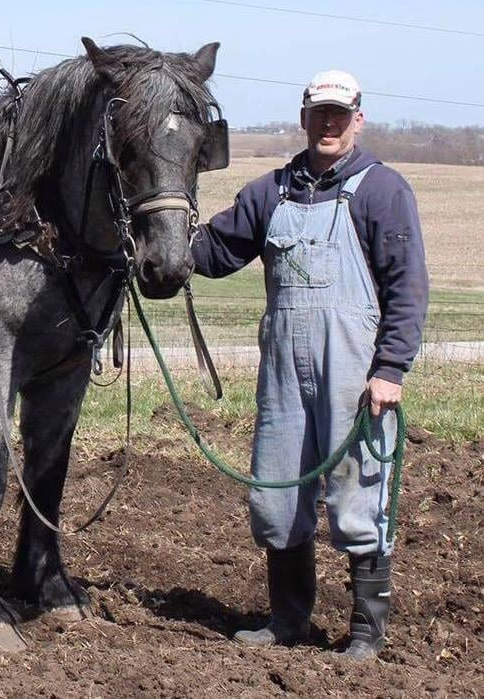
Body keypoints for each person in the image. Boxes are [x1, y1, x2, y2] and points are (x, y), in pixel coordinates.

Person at [190, 70, 429, 660]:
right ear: (304, 117)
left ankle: (366, 632)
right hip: (282, 376)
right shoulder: (270, 192)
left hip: (355, 373)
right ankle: (287, 619)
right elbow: (216, 252)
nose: (329, 124)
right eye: (319, 113)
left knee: (359, 496)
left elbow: (408, 287)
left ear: (358, 119)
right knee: (276, 495)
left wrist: (391, 369)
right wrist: (163, 245)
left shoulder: (383, 190)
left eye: (339, 114)